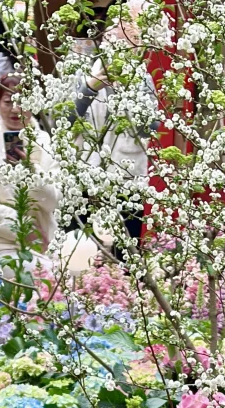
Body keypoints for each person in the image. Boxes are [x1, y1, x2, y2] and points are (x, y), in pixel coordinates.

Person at [74, 10, 159, 245]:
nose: (114, 42)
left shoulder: (141, 78)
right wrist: (90, 88)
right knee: (85, 249)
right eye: (111, 36)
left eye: (124, 39)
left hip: (128, 180)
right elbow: (66, 120)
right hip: (86, 178)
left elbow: (149, 129)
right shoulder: (83, 72)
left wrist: (131, 91)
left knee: (125, 250)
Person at [0, 76, 61, 271]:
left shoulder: (48, 144)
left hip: (44, 242)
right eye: (8, 101)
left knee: (74, 274)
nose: (15, 109)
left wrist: (33, 172)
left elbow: (54, 202)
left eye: (23, 102)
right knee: (46, 274)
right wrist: (22, 227)